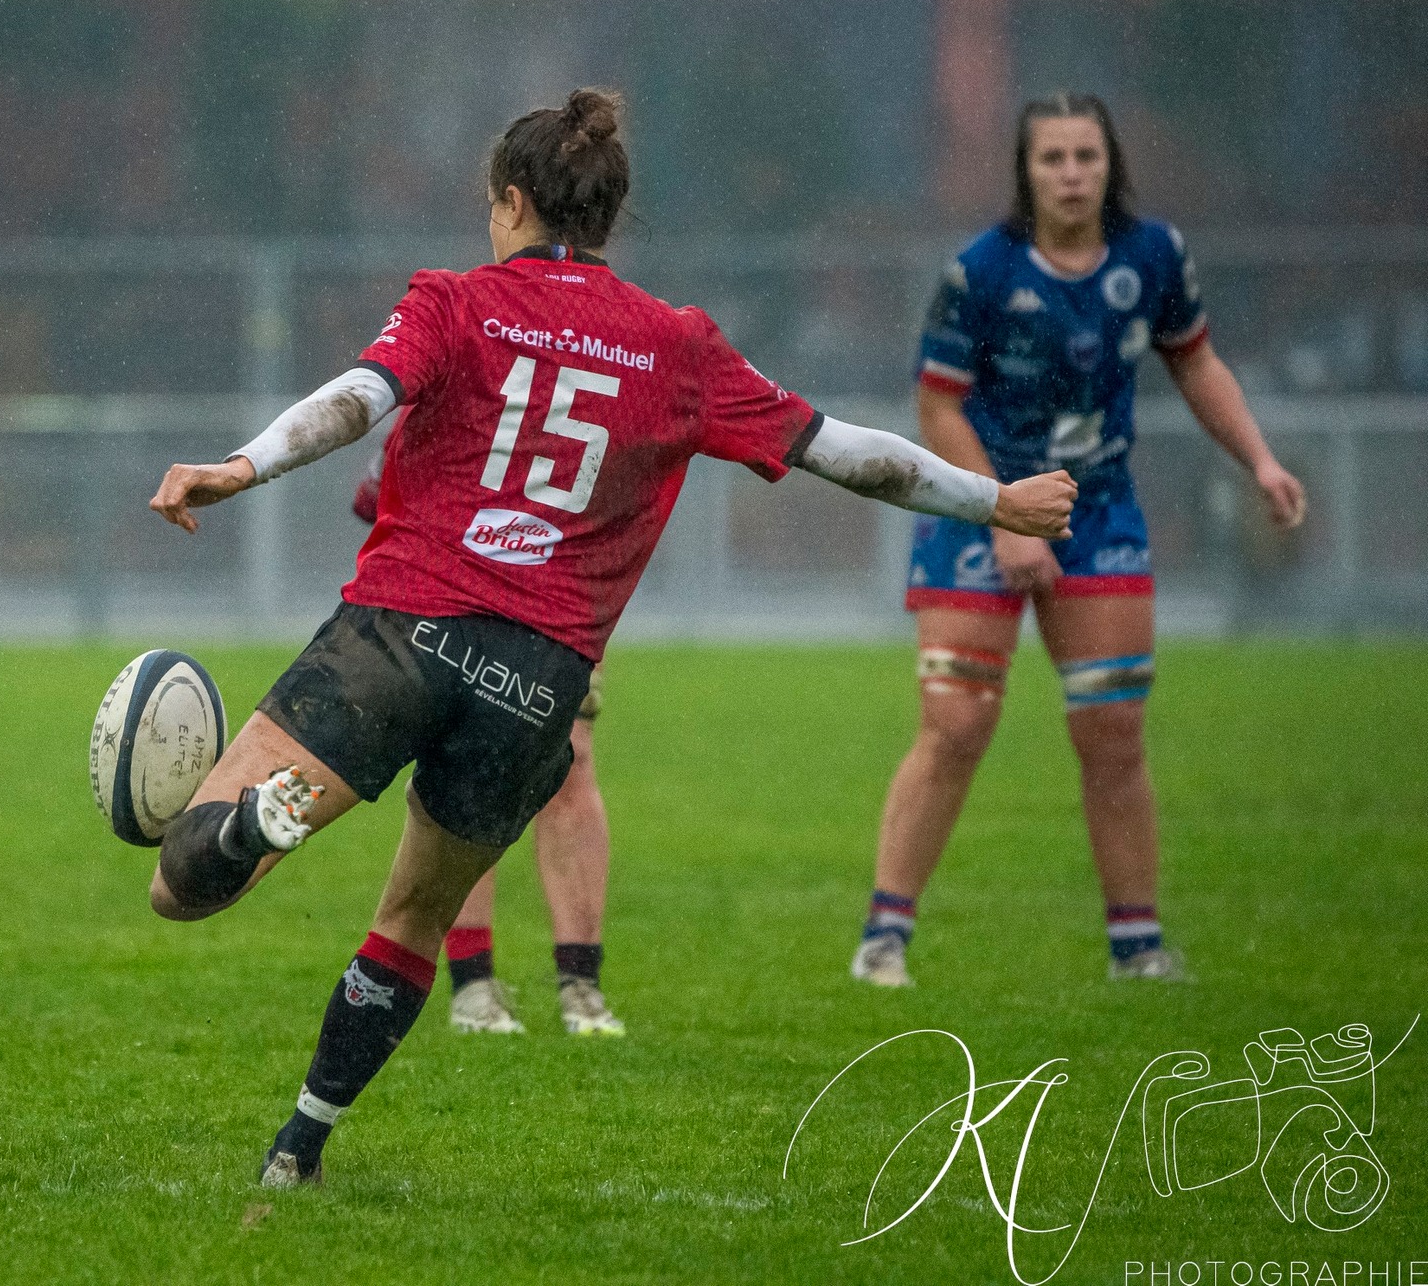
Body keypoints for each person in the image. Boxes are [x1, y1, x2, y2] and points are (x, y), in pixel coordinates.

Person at [139, 87, 1077, 1187]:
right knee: (411, 916)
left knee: (178, 880)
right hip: (536, 681)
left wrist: (240, 466)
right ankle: (300, 1141)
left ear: (513, 201)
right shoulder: (675, 346)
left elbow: (357, 397)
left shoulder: (457, 300)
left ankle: (253, 828)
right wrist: (995, 499)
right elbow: (848, 450)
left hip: (402, 625)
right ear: (604, 218)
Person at [850, 92, 1307, 990]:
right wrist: (1002, 514)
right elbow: (936, 405)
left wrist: (1259, 460)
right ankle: (884, 937)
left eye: (1086, 157)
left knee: (1113, 732)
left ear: (1110, 167)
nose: (1070, 174)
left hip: (1097, 518)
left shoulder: (1155, 257)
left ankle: (1137, 946)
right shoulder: (978, 271)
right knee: (955, 724)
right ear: (1026, 170)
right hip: (981, 507)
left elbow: (1197, 361)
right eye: (1052, 158)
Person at [353, 448, 622, 1037]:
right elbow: (374, 497)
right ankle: (473, 986)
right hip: (463, 594)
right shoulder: (465, 361)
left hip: (561, 597)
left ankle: (582, 985)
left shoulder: (599, 362)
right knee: (470, 771)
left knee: (571, 761)